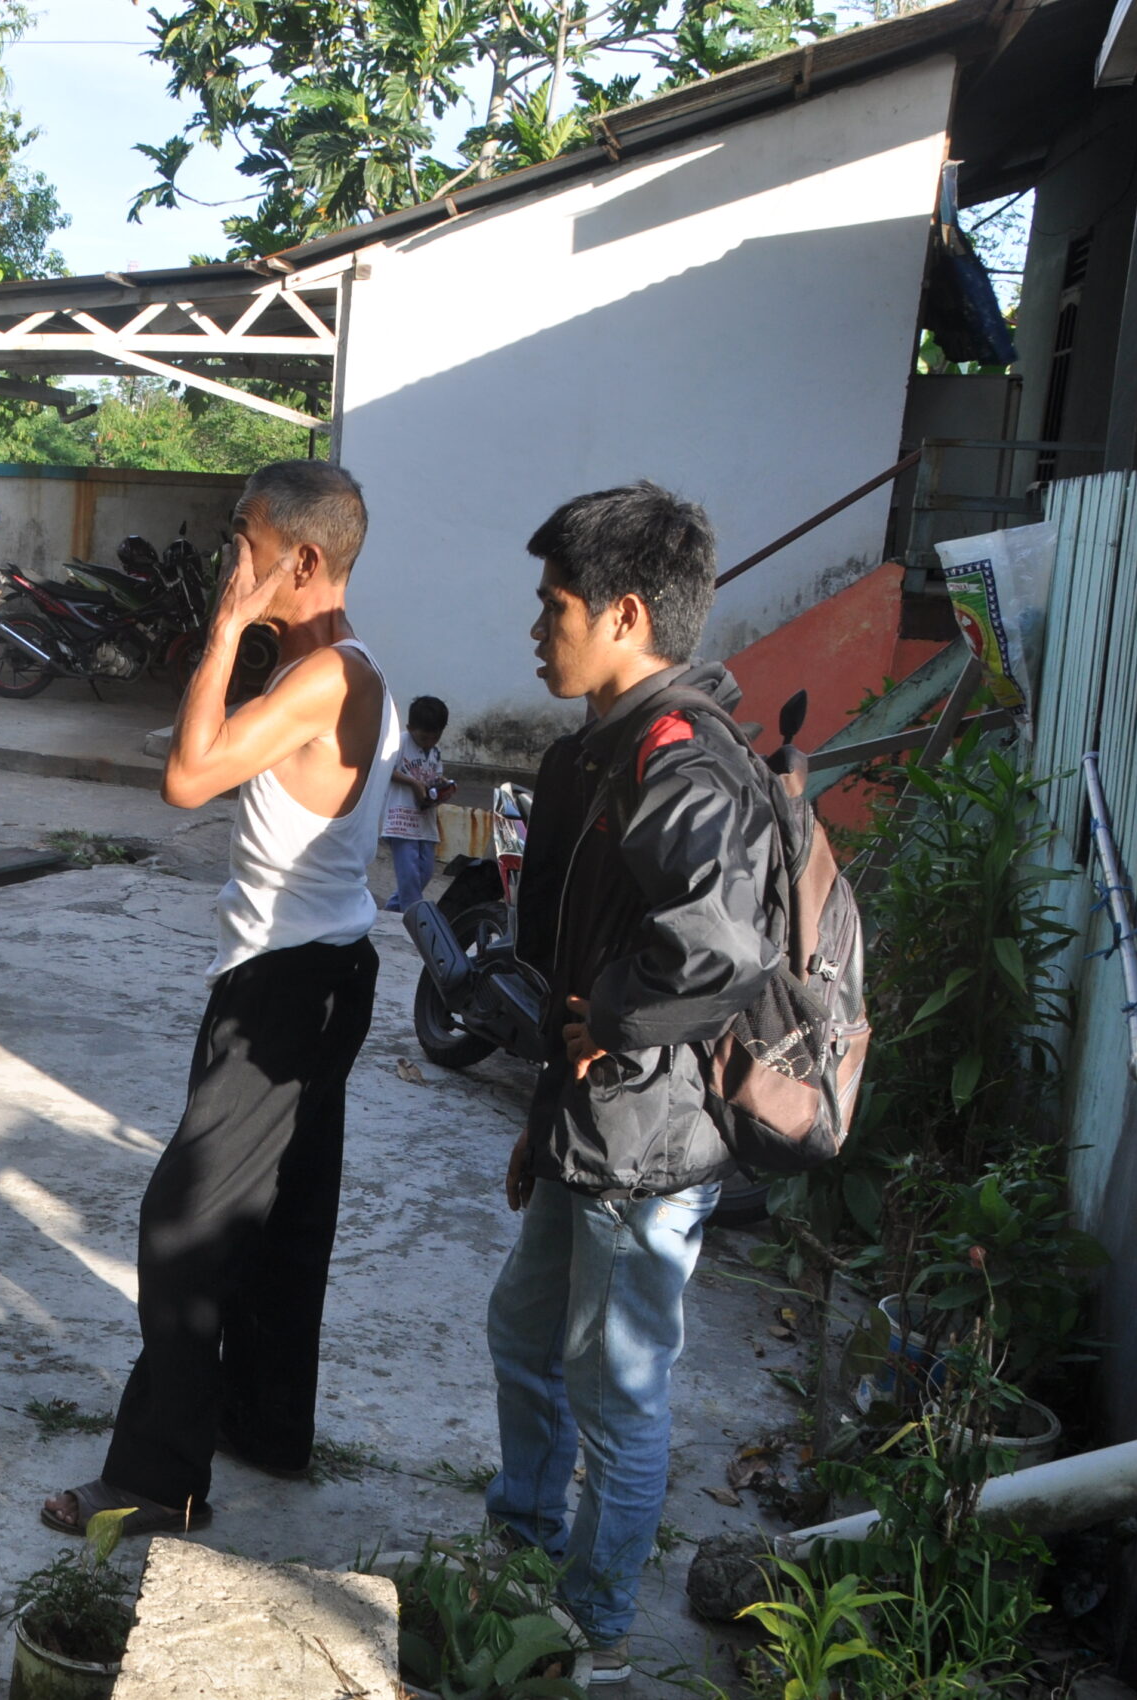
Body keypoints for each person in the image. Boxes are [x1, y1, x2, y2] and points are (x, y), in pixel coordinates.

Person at [41, 460, 401, 1539]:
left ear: (303, 557)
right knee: (285, 1217)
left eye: (243, 537)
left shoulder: (323, 677)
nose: (225, 556)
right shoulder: (330, 666)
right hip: (318, 970)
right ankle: (267, 1424)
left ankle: (159, 1477)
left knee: (184, 1227)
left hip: (286, 988)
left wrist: (223, 631)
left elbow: (186, 776)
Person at [486, 481, 775, 1687]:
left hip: (643, 1146)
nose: (535, 626)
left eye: (553, 604)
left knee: (617, 1389)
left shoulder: (678, 761)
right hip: (588, 1126)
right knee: (523, 1331)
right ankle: (523, 1541)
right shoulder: (605, 749)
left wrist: (609, 1015)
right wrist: (548, 1094)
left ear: (624, 615)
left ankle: (591, 1626)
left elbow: (719, 948)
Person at [381, 694, 453, 911]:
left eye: (435, 737)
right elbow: (385, 769)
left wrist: (442, 786)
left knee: (425, 871)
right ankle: (412, 916)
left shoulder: (435, 752)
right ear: (410, 728)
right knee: (409, 873)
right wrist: (412, 783)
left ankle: (393, 910)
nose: (429, 742)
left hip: (425, 819)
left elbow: (434, 776)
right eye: (423, 738)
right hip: (400, 819)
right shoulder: (400, 742)